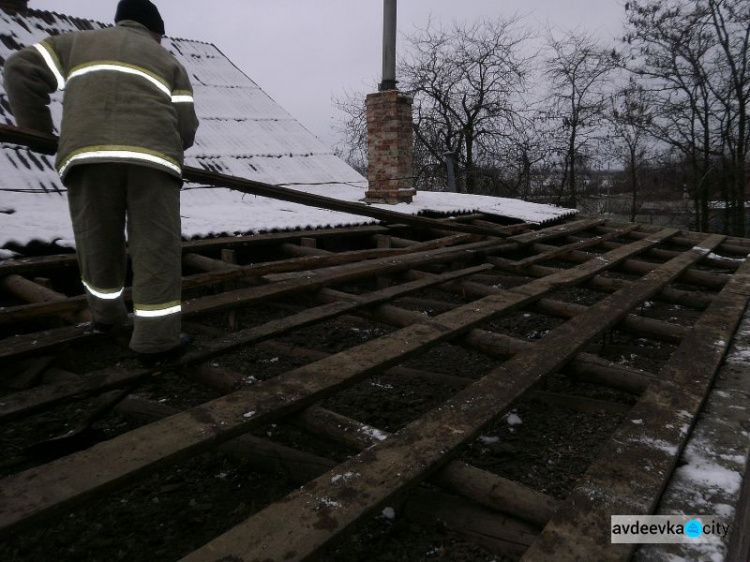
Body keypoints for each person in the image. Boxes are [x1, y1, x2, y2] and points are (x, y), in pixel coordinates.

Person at [3, 0, 199, 364]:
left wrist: (36, 134)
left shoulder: (78, 42)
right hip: (152, 161)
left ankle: (106, 318)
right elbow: (186, 128)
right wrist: (169, 142)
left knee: (97, 241)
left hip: (87, 155)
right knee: (156, 248)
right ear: (155, 31)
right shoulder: (170, 62)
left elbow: (19, 68)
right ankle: (156, 342)